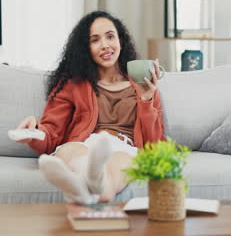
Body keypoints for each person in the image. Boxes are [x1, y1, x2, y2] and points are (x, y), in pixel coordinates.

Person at [15, 11, 165, 204]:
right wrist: (34, 133)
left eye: (110, 36)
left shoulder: (144, 86)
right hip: (82, 144)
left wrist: (146, 99)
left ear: (121, 41)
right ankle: (88, 173)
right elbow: (52, 134)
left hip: (123, 148)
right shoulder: (72, 84)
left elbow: (156, 145)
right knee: (75, 154)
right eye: (95, 40)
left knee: (108, 186)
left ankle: (82, 183)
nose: (105, 45)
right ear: (86, 48)